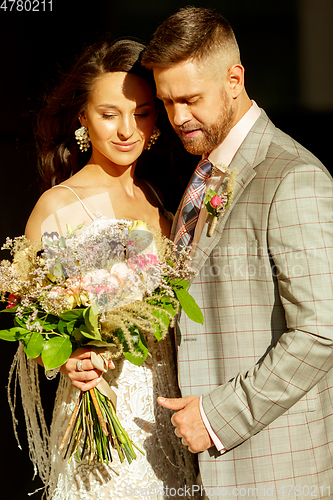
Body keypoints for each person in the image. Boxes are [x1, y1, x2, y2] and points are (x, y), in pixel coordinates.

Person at [141, 7, 333, 498]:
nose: (179, 117)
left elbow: (321, 332)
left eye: (190, 99)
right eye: (167, 102)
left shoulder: (294, 177)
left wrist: (216, 416)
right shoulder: (204, 171)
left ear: (234, 78)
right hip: (205, 472)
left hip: (273, 468)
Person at [19, 37, 199, 500]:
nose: (127, 130)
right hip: (100, 418)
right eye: (109, 113)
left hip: (171, 418)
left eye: (141, 113)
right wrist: (68, 358)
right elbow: (34, 322)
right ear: (82, 116)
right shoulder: (62, 205)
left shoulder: (163, 201)